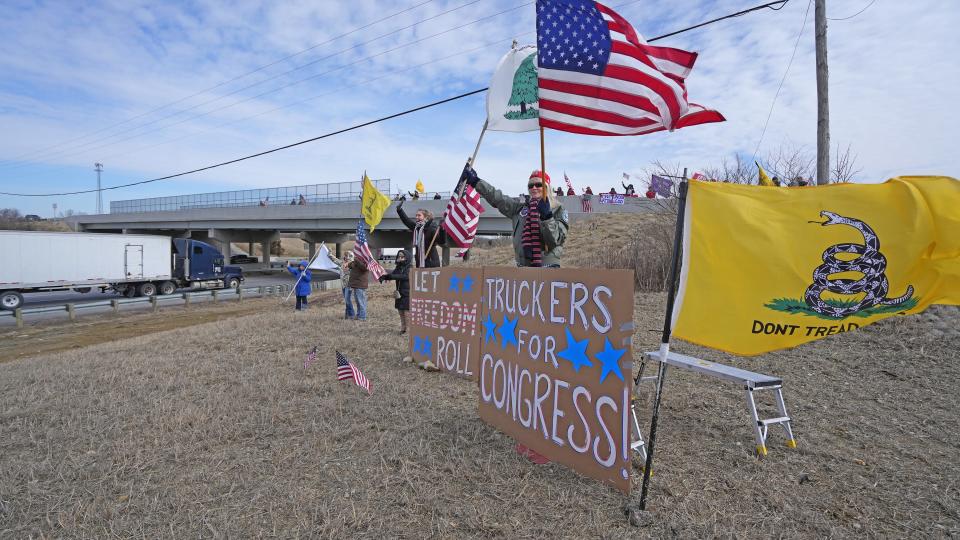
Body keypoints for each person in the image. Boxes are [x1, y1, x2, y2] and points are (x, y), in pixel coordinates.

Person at [462, 166, 568, 267]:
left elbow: (555, 240)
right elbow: (498, 198)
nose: (534, 188)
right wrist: (477, 182)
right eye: (530, 186)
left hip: (548, 267)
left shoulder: (558, 209)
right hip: (522, 268)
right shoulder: (520, 208)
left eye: (538, 184)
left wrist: (547, 217)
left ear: (546, 187)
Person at [396, 200, 445, 267]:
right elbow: (406, 220)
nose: (416, 217)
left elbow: (441, 241)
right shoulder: (416, 228)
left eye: (419, 215)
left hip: (431, 262)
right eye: (416, 215)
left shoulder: (432, 228)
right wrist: (399, 210)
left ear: (425, 217)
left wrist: (442, 229)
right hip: (420, 262)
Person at [379, 249, 411, 334]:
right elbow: (393, 275)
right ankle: (403, 329)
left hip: (407, 293)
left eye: (402, 256)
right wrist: (384, 277)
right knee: (400, 312)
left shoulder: (410, 267)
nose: (400, 258)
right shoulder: (399, 267)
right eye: (399, 256)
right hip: (399, 293)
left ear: (407, 257)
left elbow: (404, 276)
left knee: (407, 313)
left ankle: (408, 330)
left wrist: (391, 276)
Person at [346, 255, 368, 320]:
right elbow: (350, 266)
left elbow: (364, 268)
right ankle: (358, 315)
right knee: (358, 301)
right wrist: (353, 261)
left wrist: (357, 260)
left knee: (361, 301)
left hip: (360, 284)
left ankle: (362, 316)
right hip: (355, 284)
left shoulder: (366, 261)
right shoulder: (356, 261)